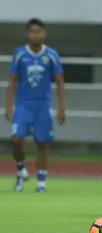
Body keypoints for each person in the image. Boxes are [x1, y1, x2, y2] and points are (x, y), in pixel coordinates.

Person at [5, 18, 66, 193]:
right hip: (23, 104)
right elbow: (11, 81)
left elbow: (60, 82)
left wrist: (62, 109)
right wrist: (8, 106)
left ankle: (41, 180)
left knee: (43, 142)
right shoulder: (20, 54)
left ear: (44, 33)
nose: (35, 34)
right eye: (32, 31)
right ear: (28, 33)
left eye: (38, 31)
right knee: (16, 139)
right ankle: (20, 170)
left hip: (43, 105)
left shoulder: (51, 55)